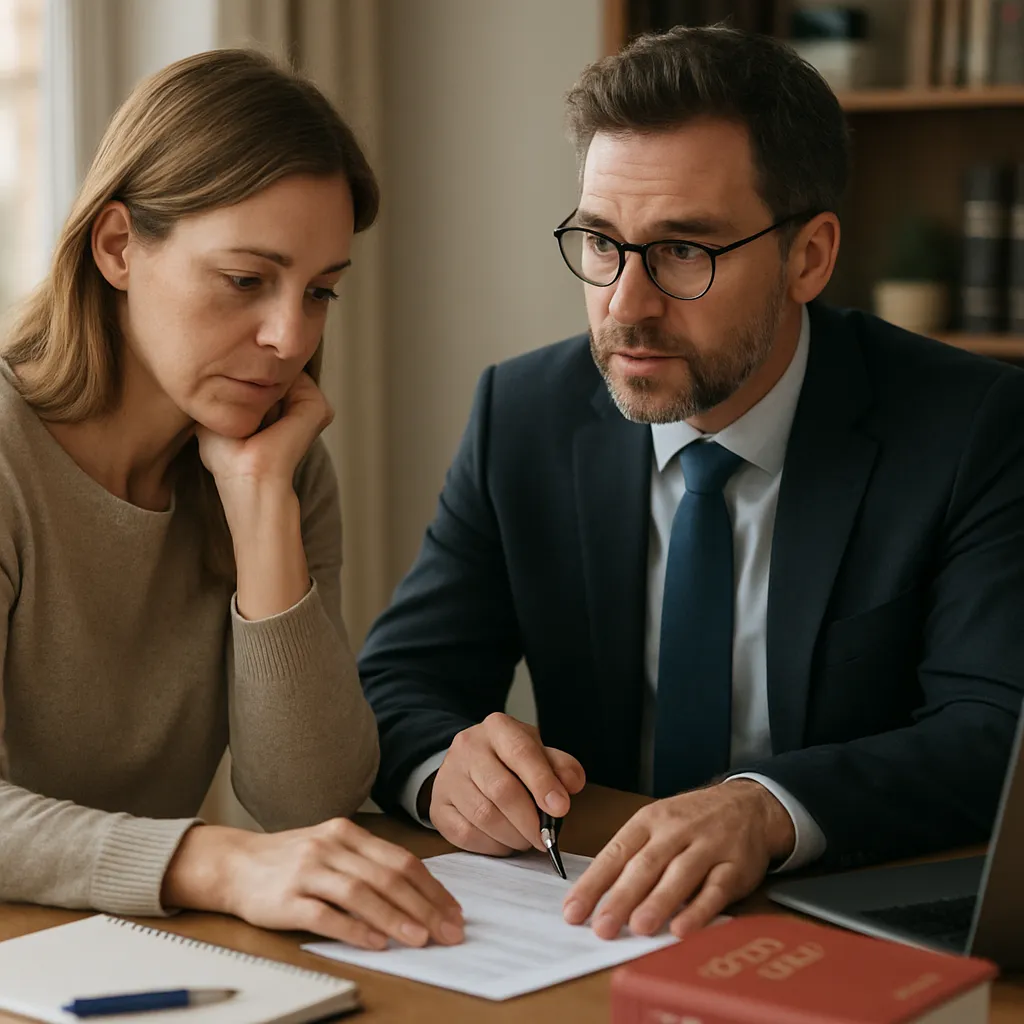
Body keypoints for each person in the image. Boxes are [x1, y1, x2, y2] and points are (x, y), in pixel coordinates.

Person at [361, 25, 1024, 943]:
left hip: (840, 925)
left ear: (810, 257)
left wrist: (767, 808)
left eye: (683, 250)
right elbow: (399, 682)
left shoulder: (972, 425)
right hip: (584, 919)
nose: (626, 305)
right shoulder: (524, 413)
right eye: (601, 243)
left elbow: (993, 731)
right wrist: (445, 769)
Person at [0, 49, 464, 952]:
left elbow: (307, 799)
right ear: (119, 246)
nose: (290, 337)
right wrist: (218, 864)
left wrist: (259, 508)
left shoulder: (273, 461)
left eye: (320, 292)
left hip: (110, 962)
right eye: (247, 281)